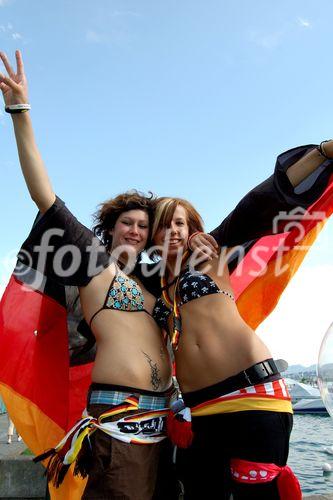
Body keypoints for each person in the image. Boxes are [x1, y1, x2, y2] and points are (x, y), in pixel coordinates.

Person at [0, 49, 184, 500]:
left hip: (164, 427)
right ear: (111, 227)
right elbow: (46, 197)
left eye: (144, 226)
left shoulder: (156, 279)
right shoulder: (90, 259)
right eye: (129, 223)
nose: (136, 231)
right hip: (118, 426)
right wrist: (20, 111)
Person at [151, 144, 333, 499]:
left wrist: (324, 153)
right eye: (163, 224)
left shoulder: (211, 249)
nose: (171, 230)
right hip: (200, 410)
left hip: (251, 396)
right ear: (153, 235)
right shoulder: (153, 283)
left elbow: (259, 203)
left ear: (192, 228)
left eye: (179, 222)